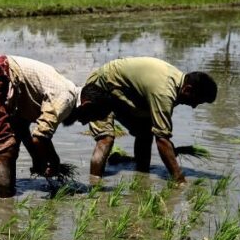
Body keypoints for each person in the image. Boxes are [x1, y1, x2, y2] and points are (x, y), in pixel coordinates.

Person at [77, 57, 218, 183]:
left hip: (123, 91)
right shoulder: (164, 91)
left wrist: (168, 145)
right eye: (197, 101)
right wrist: (180, 180)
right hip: (101, 85)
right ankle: (94, 184)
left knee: (145, 132)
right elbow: (162, 139)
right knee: (106, 138)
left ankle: (142, 176)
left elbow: (159, 131)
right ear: (188, 90)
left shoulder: (176, 83)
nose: (194, 106)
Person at [0, 54, 81, 197]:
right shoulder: (66, 98)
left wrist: (36, 158)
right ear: (86, 106)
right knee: (6, 147)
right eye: (90, 117)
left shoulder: (57, 92)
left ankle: (8, 196)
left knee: (11, 144)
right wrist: (54, 161)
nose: (84, 122)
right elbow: (40, 137)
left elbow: (21, 128)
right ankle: (4, 207)